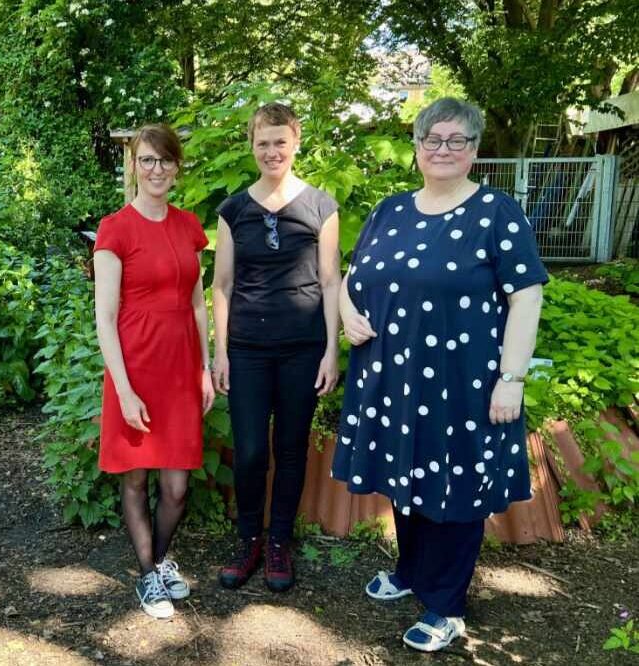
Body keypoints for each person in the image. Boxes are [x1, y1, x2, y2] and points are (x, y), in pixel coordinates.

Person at [333, 97, 548, 652]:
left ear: (474, 149)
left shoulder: (496, 212)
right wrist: (347, 312)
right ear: (417, 147)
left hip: (463, 384)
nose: (443, 149)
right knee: (405, 475)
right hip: (393, 378)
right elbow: (352, 276)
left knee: (456, 486)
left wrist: (512, 378)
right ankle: (410, 570)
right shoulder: (389, 211)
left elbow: (526, 297)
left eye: (457, 140)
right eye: (432, 139)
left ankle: (447, 604)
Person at [211, 102, 341, 593]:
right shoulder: (233, 210)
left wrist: (331, 351)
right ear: (252, 146)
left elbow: (330, 282)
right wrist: (220, 353)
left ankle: (280, 542)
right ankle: (249, 540)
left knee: (290, 448)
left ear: (296, 141)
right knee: (248, 452)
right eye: (262, 143)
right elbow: (222, 285)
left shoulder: (321, 207)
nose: (271, 151)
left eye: (279, 142)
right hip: (247, 349)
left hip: (302, 349)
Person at [93, 124, 215, 619]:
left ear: (176, 167)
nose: (156, 169)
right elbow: (104, 318)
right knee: (135, 480)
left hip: (181, 368)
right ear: (134, 166)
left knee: (177, 487)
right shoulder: (116, 228)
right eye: (147, 160)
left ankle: (160, 561)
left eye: (165, 160)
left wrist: (205, 368)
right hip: (136, 367)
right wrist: (124, 391)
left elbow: (198, 304)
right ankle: (148, 574)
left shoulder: (189, 226)